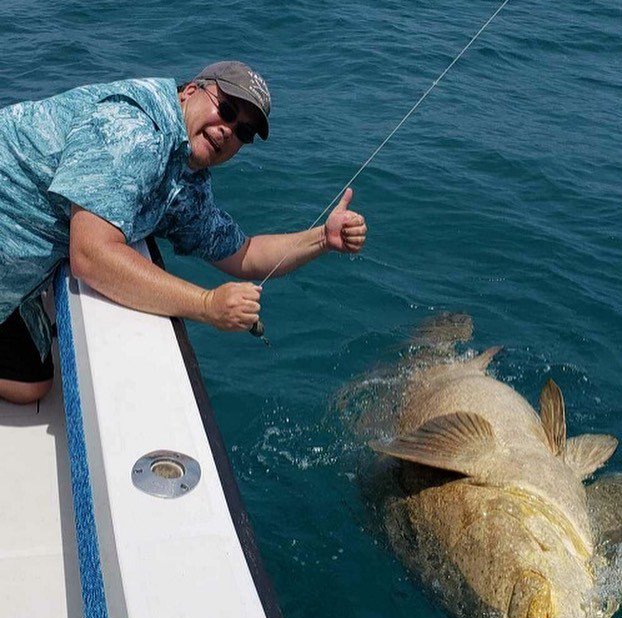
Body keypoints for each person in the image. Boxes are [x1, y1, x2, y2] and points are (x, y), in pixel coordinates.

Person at [0, 60, 367, 405]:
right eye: (225, 110)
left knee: (32, 384)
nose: (228, 130)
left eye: (243, 131)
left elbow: (245, 253)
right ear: (190, 91)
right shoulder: (133, 128)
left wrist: (322, 239)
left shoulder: (184, 177)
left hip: (17, 268)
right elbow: (91, 255)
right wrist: (206, 305)